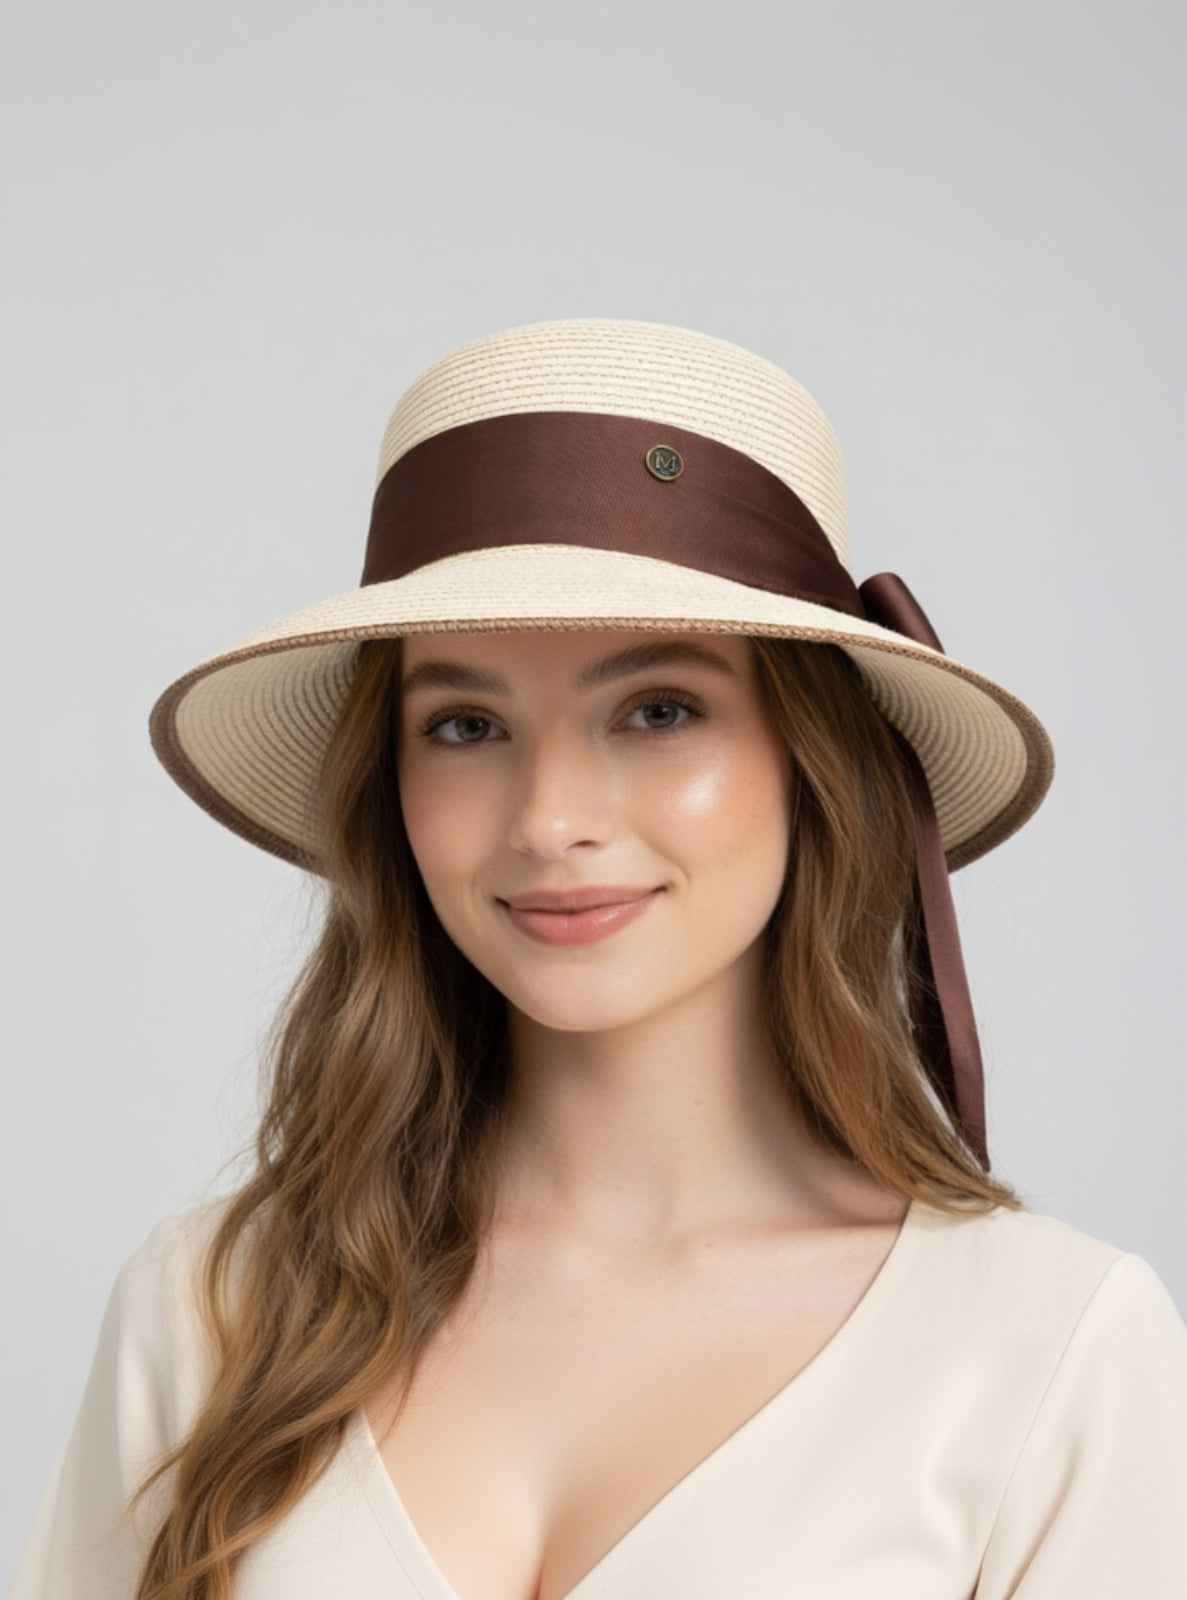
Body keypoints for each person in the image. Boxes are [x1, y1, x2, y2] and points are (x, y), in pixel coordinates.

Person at [11, 319, 1187, 1600]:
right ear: (387, 786)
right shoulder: (210, 1309)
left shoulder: (1051, 1346)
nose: (548, 818)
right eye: (465, 723)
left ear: (812, 761)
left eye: (658, 709)